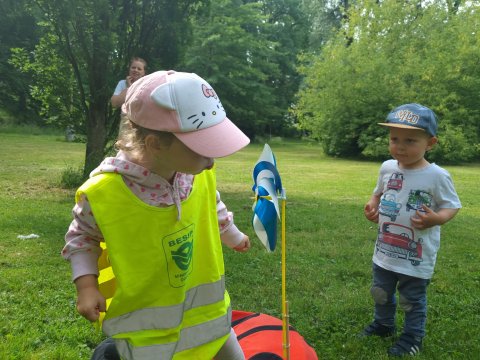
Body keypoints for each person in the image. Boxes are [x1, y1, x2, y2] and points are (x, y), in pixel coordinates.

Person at [63, 70, 252, 360]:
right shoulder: (103, 193)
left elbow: (213, 208)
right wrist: (86, 287)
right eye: (202, 150)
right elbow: (81, 238)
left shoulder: (196, 174)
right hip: (148, 331)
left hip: (208, 319)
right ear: (155, 144)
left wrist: (234, 236)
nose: (212, 162)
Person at [361, 103, 461, 357]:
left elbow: (452, 206)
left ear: (431, 142)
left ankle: (412, 337)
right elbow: (378, 192)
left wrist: (435, 218)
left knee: (411, 300)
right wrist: (373, 205)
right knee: (380, 292)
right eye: (394, 139)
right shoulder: (387, 167)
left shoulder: (437, 176)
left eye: (410, 140)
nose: (400, 146)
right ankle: (383, 325)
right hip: (384, 251)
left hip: (415, 258)